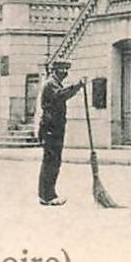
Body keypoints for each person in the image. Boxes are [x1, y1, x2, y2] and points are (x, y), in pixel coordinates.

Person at [36, 59, 86, 206]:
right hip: (51, 128)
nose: (65, 72)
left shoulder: (55, 83)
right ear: (54, 70)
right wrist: (77, 86)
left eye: (66, 69)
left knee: (53, 161)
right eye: (62, 69)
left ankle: (47, 194)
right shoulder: (51, 84)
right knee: (51, 162)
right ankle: (47, 195)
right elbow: (61, 95)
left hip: (55, 127)